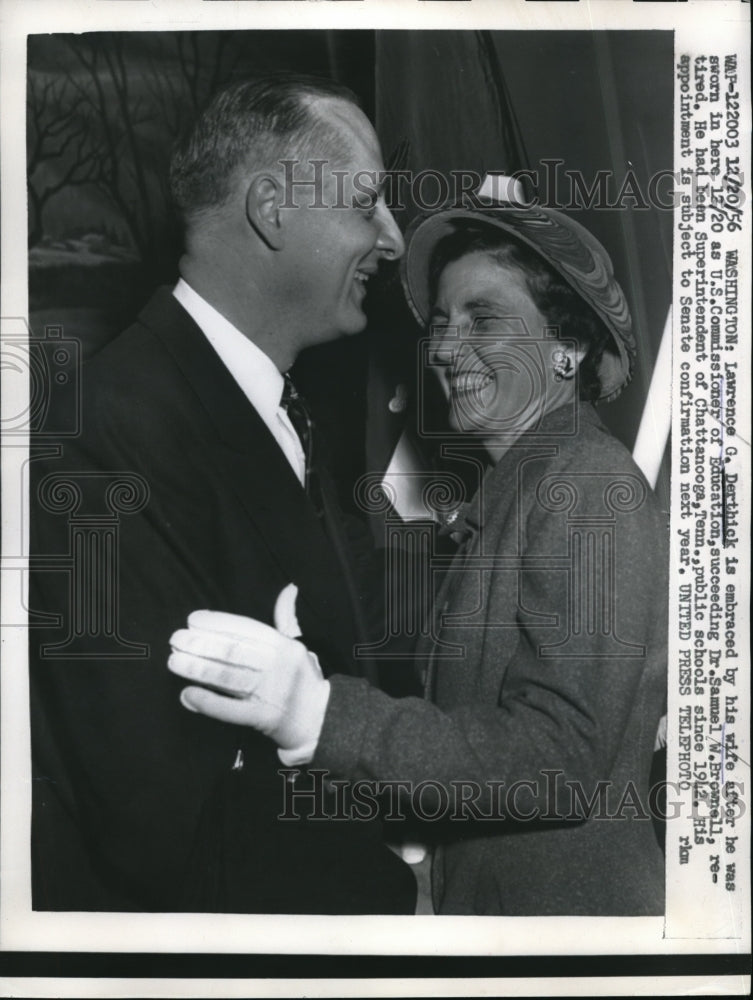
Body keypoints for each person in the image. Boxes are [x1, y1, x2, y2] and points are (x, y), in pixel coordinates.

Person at [167, 178, 669, 916]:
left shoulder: (587, 484)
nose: (445, 348)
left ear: (566, 349)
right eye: (440, 323)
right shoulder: (517, 495)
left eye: (482, 319)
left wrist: (322, 715)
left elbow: (557, 759)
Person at [28, 73, 417, 913]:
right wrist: (402, 895)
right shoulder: (104, 436)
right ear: (272, 209)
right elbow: (157, 823)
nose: (392, 239)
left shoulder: (284, 410)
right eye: (365, 205)